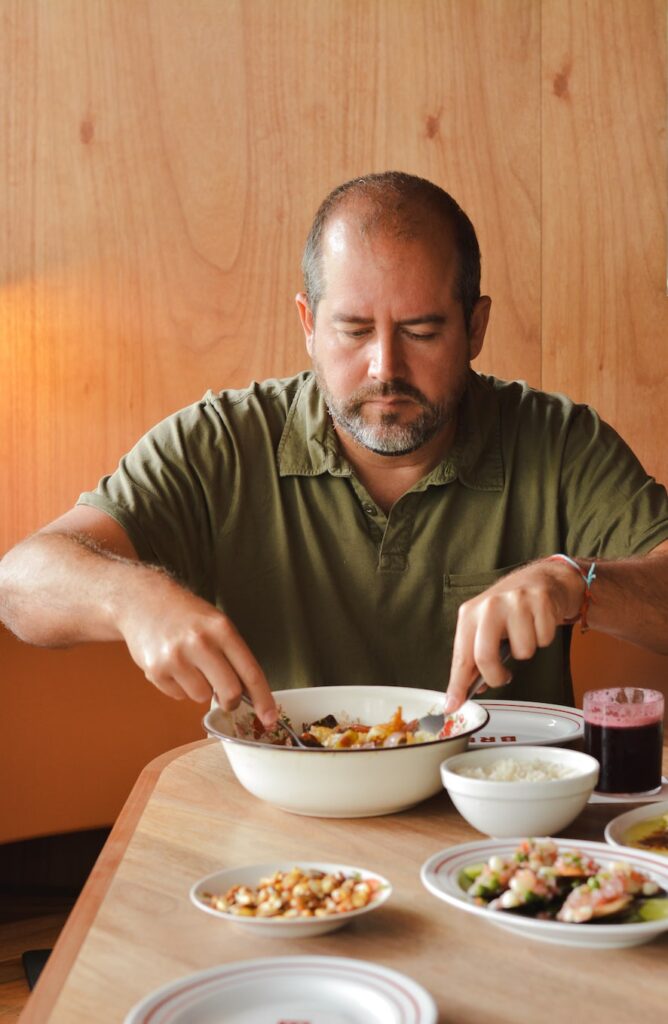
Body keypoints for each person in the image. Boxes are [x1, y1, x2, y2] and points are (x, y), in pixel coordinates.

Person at [1, 171, 667, 730]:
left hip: (504, 820)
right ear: (309, 325)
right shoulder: (222, 442)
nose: (385, 367)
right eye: (353, 330)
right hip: (280, 822)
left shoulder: (558, 440)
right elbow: (19, 583)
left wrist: (574, 582)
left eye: (421, 331)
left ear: (475, 326)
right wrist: (133, 598)